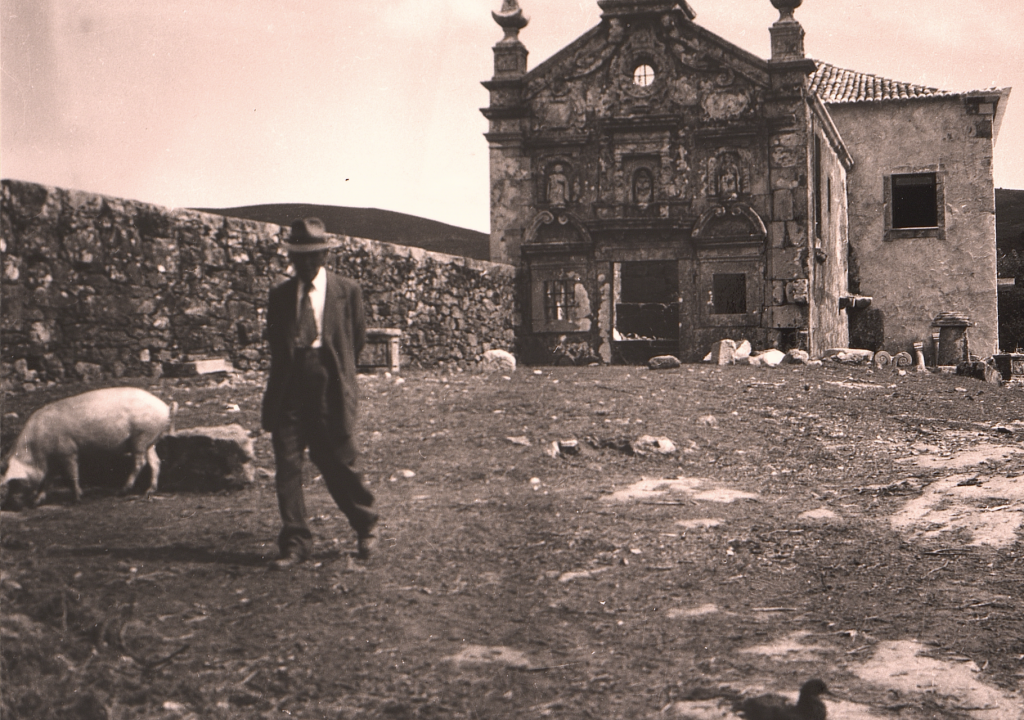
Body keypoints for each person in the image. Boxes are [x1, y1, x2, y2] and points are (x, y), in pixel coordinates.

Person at [261, 217, 378, 569]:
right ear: (291, 258)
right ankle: (296, 541)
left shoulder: (347, 291)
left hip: (329, 383)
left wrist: (333, 371)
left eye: (313, 257)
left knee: (338, 459)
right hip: (289, 386)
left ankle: (366, 526)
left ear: (326, 255)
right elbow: (277, 346)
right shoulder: (280, 296)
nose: (307, 264)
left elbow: (355, 340)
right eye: (299, 257)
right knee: (288, 463)